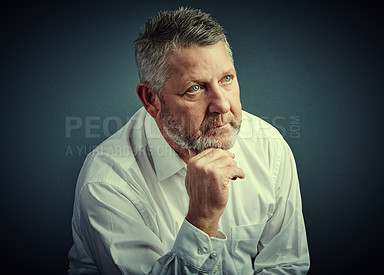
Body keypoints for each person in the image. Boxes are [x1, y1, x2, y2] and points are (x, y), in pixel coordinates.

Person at [67, 7, 310, 274]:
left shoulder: (269, 147)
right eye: (195, 88)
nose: (222, 105)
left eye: (226, 79)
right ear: (151, 99)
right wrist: (202, 220)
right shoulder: (107, 183)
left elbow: (286, 264)